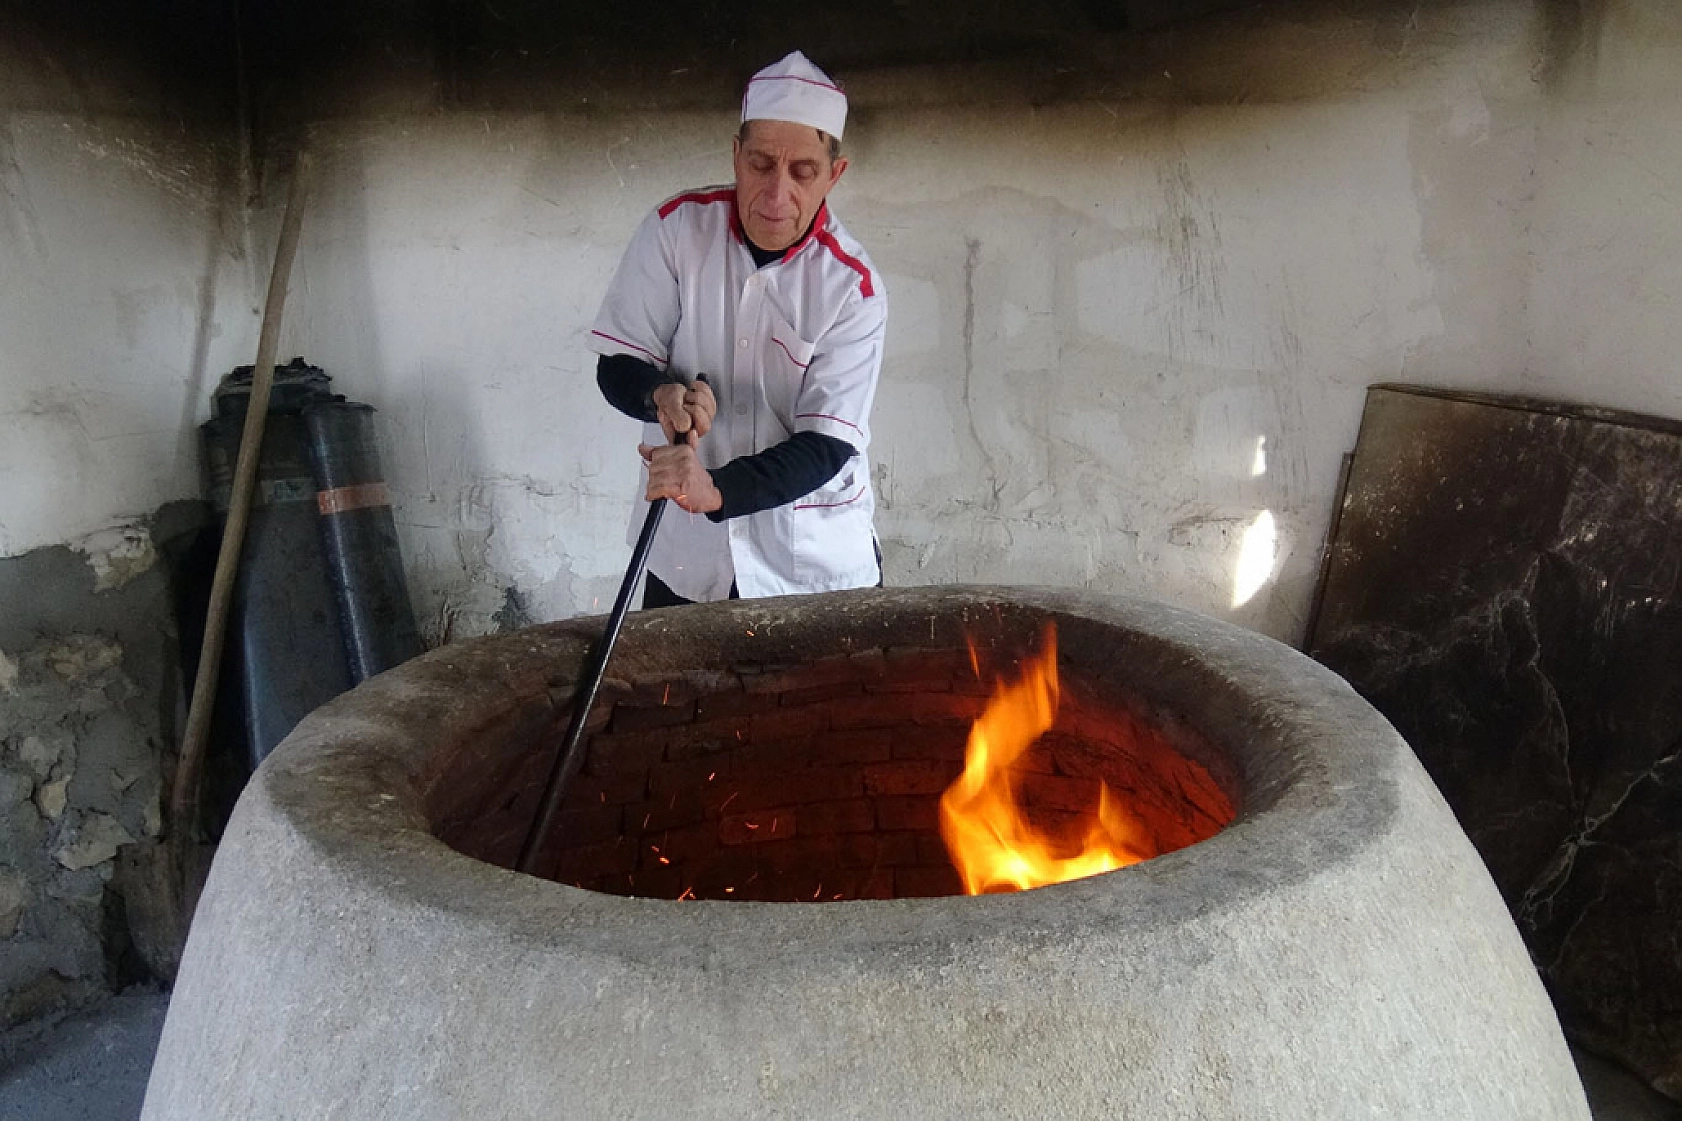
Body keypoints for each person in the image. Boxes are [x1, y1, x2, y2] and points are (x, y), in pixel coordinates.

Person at [588, 50, 887, 608]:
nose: (777, 195)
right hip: (685, 556)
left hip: (811, 564)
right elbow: (616, 366)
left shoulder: (853, 287)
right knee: (672, 696)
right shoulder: (676, 231)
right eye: (760, 165)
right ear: (735, 155)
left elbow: (825, 446)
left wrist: (716, 489)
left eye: (802, 172)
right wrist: (660, 396)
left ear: (834, 175)